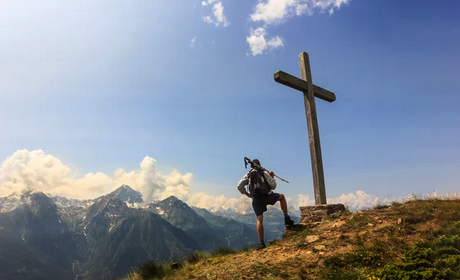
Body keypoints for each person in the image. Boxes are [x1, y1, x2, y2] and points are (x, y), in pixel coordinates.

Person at [237, 159, 294, 249]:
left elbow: (239, 186)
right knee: (282, 197)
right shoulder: (264, 172)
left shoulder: (248, 175)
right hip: (267, 196)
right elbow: (273, 186)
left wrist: (248, 194)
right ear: (260, 164)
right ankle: (286, 217)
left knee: (259, 220)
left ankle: (261, 243)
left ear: (252, 166)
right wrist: (272, 176)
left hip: (256, 199)